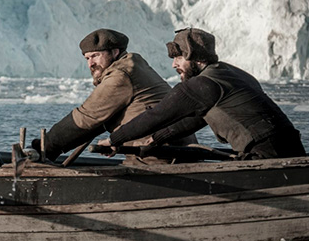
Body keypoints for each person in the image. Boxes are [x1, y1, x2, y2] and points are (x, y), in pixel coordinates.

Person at [105, 28, 306, 160]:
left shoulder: (201, 84)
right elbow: (198, 119)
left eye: (178, 57)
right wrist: (157, 138)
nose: (174, 64)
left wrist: (114, 139)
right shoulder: (233, 73)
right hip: (293, 148)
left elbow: (156, 115)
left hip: (265, 154)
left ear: (194, 57)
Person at [31, 29, 195, 161]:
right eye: (87, 58)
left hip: (158, 157)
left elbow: (86, 117)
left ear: (115, 52)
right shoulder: (134, 65)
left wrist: (44, 148)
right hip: (175, 151)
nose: (91, 64)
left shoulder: (121, 75)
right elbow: (98, 121)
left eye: (96, 56)